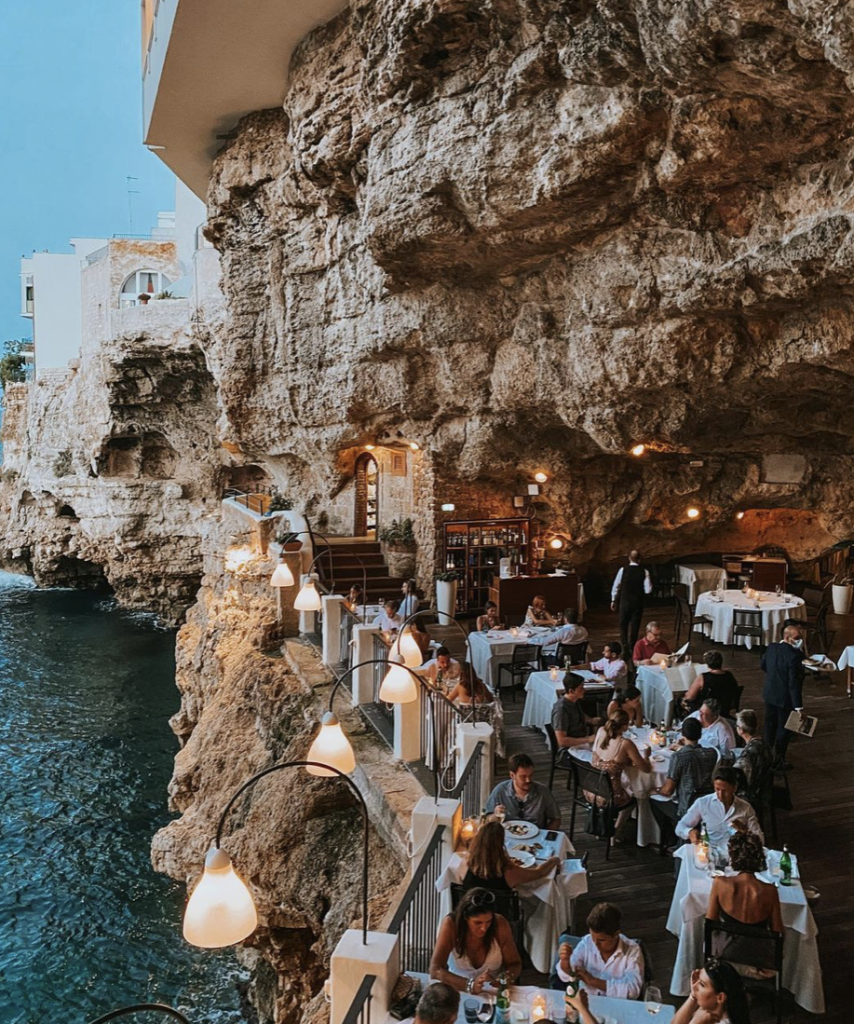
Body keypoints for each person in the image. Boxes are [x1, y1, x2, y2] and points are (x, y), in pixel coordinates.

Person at [706, 832, 783, 975]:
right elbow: (778, 932)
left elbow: (710, 923)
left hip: (725, 960)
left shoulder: (720, 884)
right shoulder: (770, 891)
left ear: (732, 857)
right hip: (759, 963)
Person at [430, 887, 522, 993]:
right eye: (478, 923)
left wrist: (505, 978)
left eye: (488, 922)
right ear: (465, 917)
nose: (484, 928)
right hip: (458, 990)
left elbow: (514, 964)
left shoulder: (499, 924)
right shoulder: (452, 925)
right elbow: (435, 969)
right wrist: (470, 985)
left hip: (492, 991)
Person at [552, 903, 644, 1000]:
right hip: (586, 1002)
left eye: (601, 940)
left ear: (616, 934)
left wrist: (592, 981)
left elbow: (632, 990)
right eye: (592, 937)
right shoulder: (587, 943)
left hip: (617, 1005)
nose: (595, 943)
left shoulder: (632, 951)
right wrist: (565, 961)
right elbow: (568, 974)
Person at [588, 710, 652, 838]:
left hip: (591, 788)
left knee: (624, 784)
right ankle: (616, 830)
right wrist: (646, 755)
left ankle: (603, 825)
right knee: (636, 795)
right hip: (609, 796)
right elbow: (646, 769)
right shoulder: (625, 743)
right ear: (624, 726)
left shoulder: (601, 731)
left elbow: (606, 757)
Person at [676, 767, 763, 849]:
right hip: (710, 851)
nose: (720, 795)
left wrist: (745, 831)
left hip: (735, 853)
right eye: (717, 789)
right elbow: (680, 826)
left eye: (725, 791)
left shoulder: (745, 808)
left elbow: (760, 840)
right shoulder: (703, 803)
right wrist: (690, 832)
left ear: (734, 788)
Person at [652, 717, 718, 825]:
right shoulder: (712, 753)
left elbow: (668, 790)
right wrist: (682, 748)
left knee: (653, 799)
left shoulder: (679, 757)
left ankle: (669, 832)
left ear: (682, 734)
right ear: (700, 735)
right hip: (707, 803)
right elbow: (694, 754)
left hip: (687, 807)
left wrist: (655, 790)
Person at [462, 820, 560, 891]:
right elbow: (539, 873)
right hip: (498, 911)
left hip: (471, 910)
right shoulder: (508, 871)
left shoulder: (467, 863)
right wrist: (554, 860)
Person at [760, 624, 805, 761]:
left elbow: (763, 665)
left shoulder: (771, 647)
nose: (800, 640)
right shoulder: (794, 656)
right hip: (785, 698)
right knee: (784, 728)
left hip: (769, 693)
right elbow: (793, 684)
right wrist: (799, 707)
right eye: (797, 638)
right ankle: (779, 759)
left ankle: (766, 756)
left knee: (769, 725)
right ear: (788, 637)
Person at [485, 752, 560, 830]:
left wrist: (546, 835)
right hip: (507, 834)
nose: (528, 780)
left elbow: (556, 819)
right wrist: (495, 816)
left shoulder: (543, 791)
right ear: (512, 775)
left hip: (536, 834)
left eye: (530, 775)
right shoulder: (500, 790)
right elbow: (486, 819)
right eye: (523, 777)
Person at [672, 959, 752, 1024]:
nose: (694, 986)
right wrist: (693, 996)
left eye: (702, 984)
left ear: (720, 997)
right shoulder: (708, 1009)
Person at [611, 550, 653, 656]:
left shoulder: (623, 570)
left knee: (623, 625)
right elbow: (648, 590)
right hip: (637, 602)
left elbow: (616, 586)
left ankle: (625, 647)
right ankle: (632, 646)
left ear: (629, 558)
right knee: (635, 626)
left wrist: (613, 600)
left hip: (625, 602)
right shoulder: (644, 571)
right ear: (640, 559)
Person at [551, 673, 599, 755]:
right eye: (581, 688)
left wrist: (591, 720)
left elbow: (576, 715)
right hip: (569, 750)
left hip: (581, 744)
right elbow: (562, 741)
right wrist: (588, 739)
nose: (584, 690)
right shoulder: (561, 709)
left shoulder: (574, 701)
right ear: (571, 691)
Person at [683, 651, 740, 717]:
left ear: (707, 664)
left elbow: (690, 697)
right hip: (724, 709)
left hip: (706, 712)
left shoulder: (703, 677)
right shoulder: (729, 675)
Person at [733, 710, 774, 798]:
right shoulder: (764, 743)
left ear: (741, 730)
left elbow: (737, 778)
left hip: (750, 794)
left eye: (736, 726)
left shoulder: (747, 754)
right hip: (764, 789)